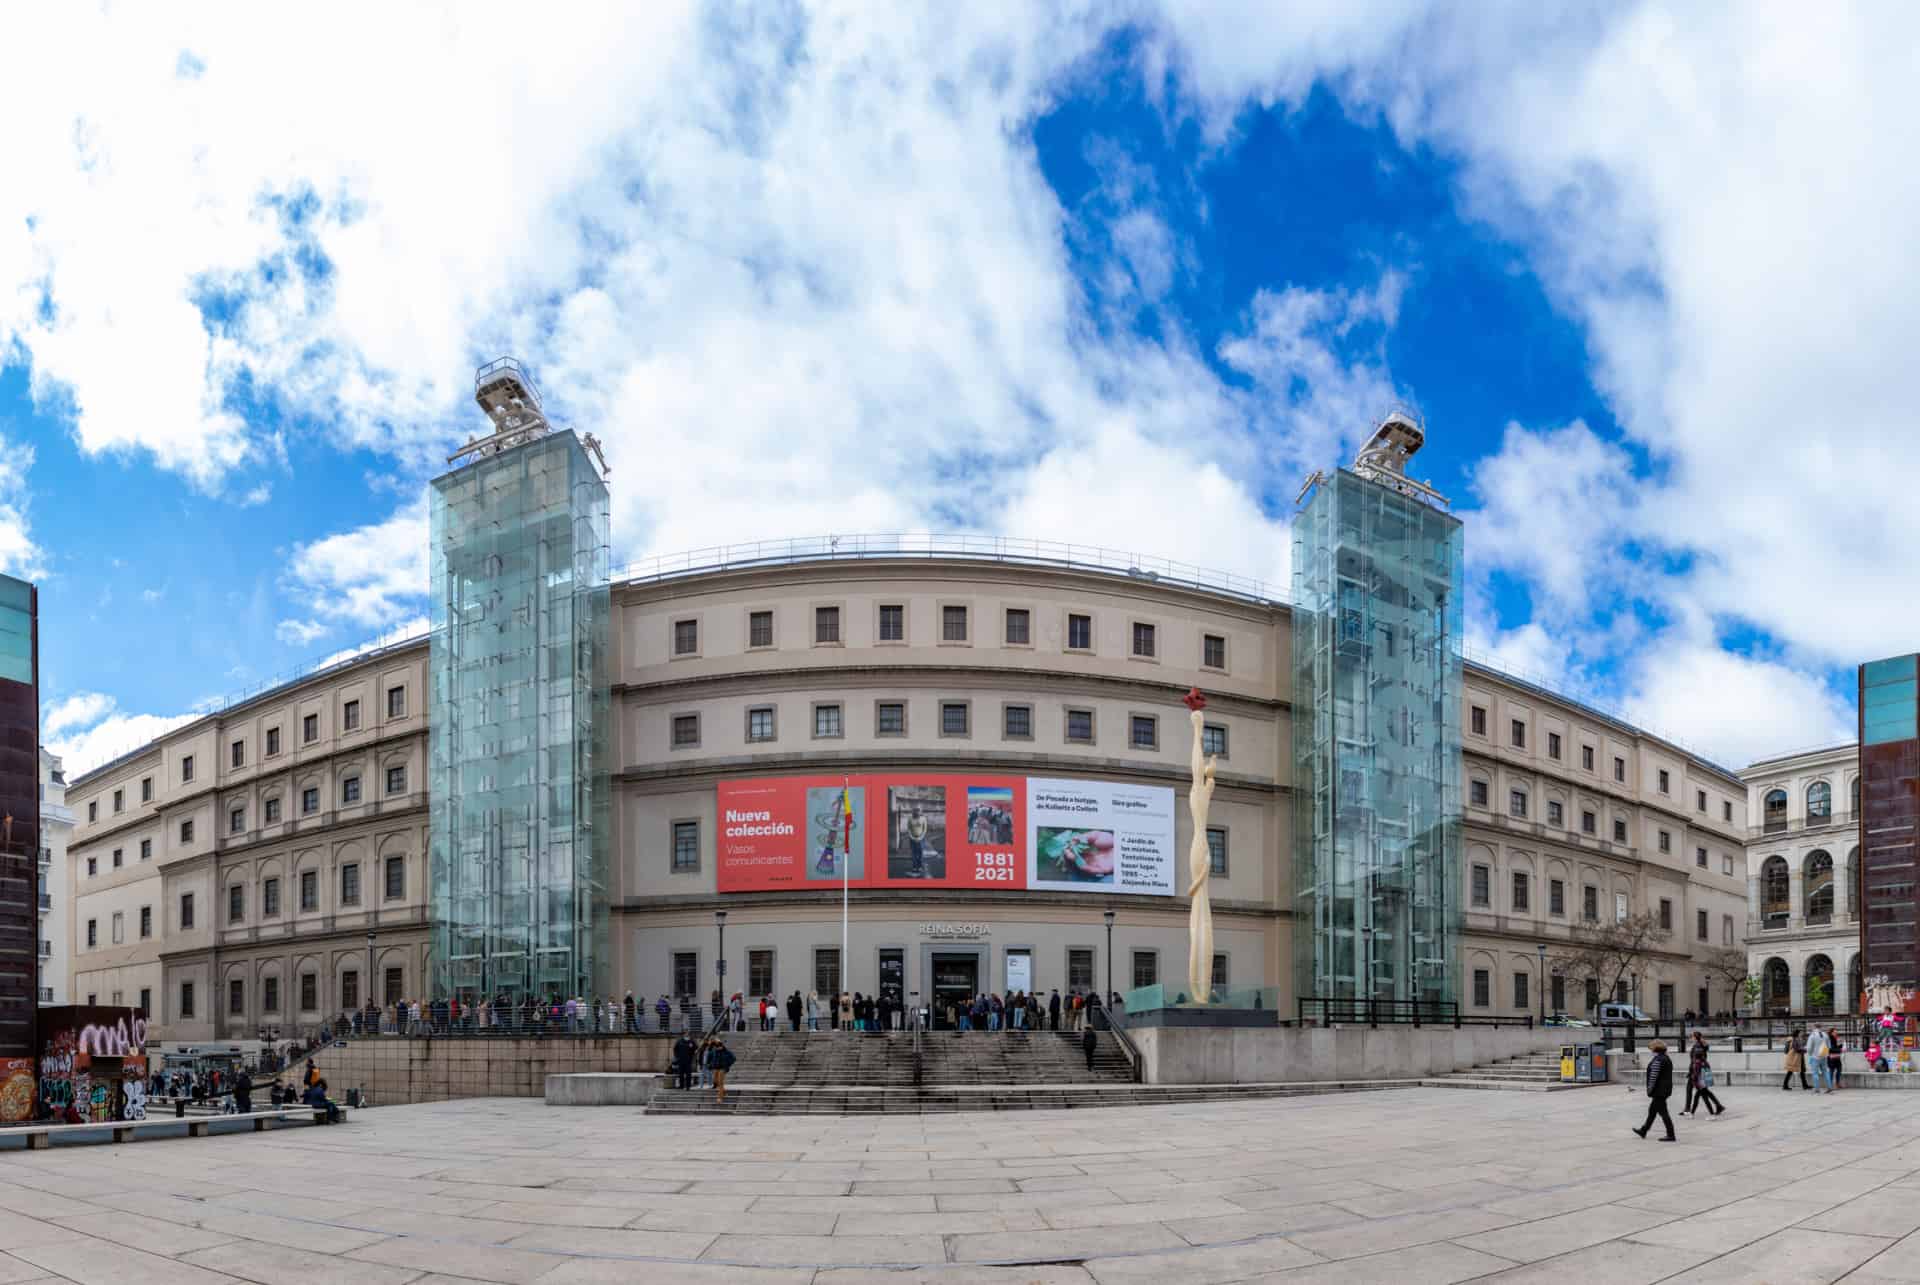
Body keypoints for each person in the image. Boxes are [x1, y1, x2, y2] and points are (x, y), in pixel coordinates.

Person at [1633, 1039, 1676, 1141]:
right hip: (1664, 1089)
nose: (1650, 1050)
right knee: (1652, 1111)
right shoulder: (1666, 1058)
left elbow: (1653, 1077)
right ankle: (1643, 1130)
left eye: (1650, 1048)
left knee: (1663, 1112)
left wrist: (1649, 1090)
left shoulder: (1658, 1060)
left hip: (1659, 1091)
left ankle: (1671, 1135)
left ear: (1655, 1048)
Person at [1682, 1033, 1723, 1118]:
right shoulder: (1700, 1045)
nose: (1691, 1038)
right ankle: (1718, 1106)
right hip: (1698, 1071)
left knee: (1700, 1092)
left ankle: (1690, 1110)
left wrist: (1693, 1073)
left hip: (1696, 1072)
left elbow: (1696, 1060)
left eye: (1692, 1036)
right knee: (1702, 1092)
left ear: (1695, 1038)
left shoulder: (1697, 1046)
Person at [1807, 1025, 1831, 1093]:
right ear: (1821, 1027)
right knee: (1826, 1071)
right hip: (1824, 1056)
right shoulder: (1825, 1034)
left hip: (1815, 1056)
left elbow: (1809, 1048)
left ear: (1814, 1027)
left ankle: (1817, 1088)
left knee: (1815, 1073)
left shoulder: (1812, 1035)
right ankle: (1829, 1087)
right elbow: (1829, 1046)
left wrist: (1810, 1054)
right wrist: (1826, 1053)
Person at [712, 1039, 736, 1104]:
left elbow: (733, 1058)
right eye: (716, 1047)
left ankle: (720, 1098)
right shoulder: (715, 1051)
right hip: (716, 1067)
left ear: (721, 1046)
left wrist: (728, 1064)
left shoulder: (727, 1052)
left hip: (723, 1068)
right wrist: (712, 1065)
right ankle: (724, 1092)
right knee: (715, 1081)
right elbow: (713, 1059)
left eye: (718, 1047)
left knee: (720, 1082)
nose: (717, 1048)